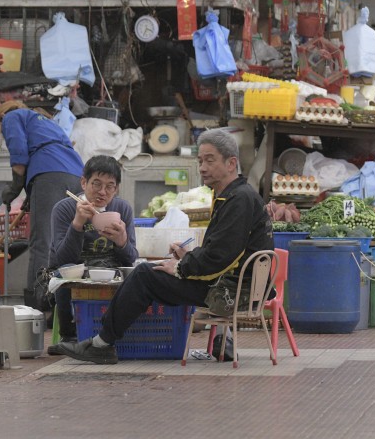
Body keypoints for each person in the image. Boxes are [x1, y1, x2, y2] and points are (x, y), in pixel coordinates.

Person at [60, 129, 272, 365]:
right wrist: (188, 256)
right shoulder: (233, 196)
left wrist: (181, 267)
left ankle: (101, 344)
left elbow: (220, 257)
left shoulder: (239, 199)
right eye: (200, 160)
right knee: (153, 270)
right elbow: (223, 251)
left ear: (231, 163)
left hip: (231, 292)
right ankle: (103, 341)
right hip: (233, 284)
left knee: (144, 275)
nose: (202, 167)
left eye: (210, 160)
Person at [0, 100, 84, 310]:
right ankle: (65, 303)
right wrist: (31, 194)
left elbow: (19, 159)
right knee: (67, 238)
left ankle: (38, 306)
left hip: (49, 174)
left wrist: (13, 190)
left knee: (42, 242)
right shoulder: (47, 122)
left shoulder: (12, 117)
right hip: (77, 175)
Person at [47, 155, 138, 354]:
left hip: (109, 269)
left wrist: (121, 240)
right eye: (96, 184)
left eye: (110, 186)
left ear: (117, 189)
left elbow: (130, 258)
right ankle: (69, 337)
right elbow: (62, 258)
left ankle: (114, 333)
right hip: (73, 269)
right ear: (83, 182)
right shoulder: (64, 209)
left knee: (137, 276)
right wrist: (77, 224)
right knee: (65, 273)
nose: (102, 192)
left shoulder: (121, 209)